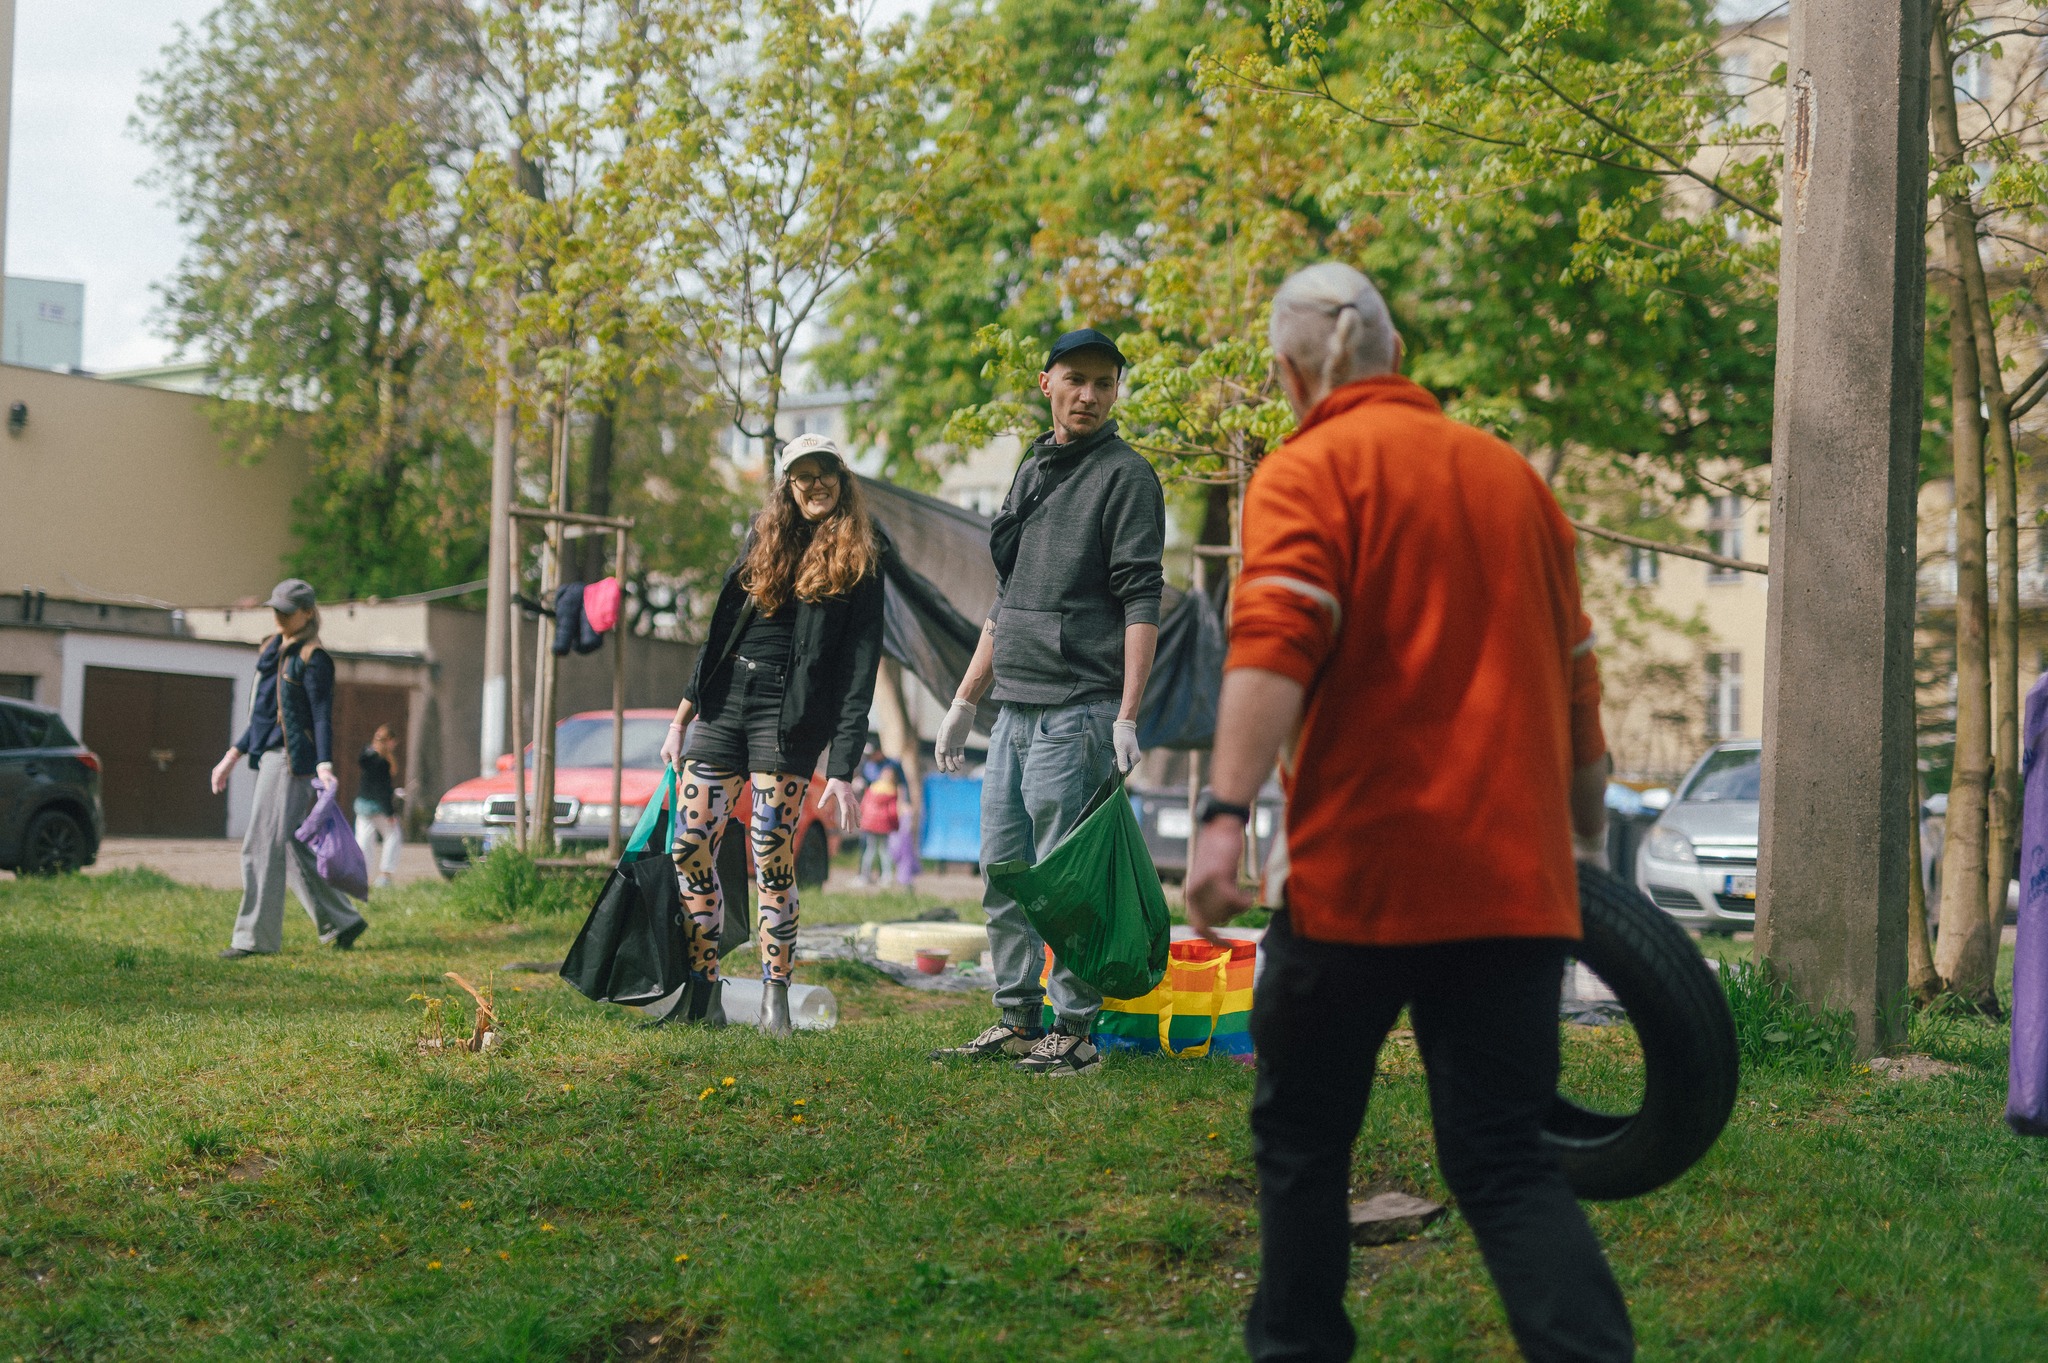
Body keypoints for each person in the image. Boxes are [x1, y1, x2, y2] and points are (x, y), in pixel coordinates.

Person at [1185, 263, 1632, 1362]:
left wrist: (1220, 814)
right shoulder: (1512, 480)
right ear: (1399, 353)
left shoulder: (1305, 470)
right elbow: (1580, 698)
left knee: (1301, 1142)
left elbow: (1272, 650)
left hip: (1358, 884)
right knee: (1502, 1158)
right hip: (1512, 891)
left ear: (1290, 374)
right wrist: (1578, 850)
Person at [931, 327, 1165, 1078]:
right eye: (1077, 379)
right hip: (1016, 707)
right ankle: (1016, 1017)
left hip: (1080, 709)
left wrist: (1128, 711)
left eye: (1105, 382)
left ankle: (1076, 1029)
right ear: (1047, 383)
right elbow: (1010, 597)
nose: (1090, 395)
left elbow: (1141, 598)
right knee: (1004, 866)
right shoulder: (1032, 466)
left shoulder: (1127, 476)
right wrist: (967, 699)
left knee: (1065, 880)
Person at [656, 434, 879, 1036]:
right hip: (726, 705)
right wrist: (682, 718)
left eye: (823, 472)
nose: (813, 485)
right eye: (801, 476)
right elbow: (716, 636)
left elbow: (861, 670)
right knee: (690, 842)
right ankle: (702, 990)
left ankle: (775, 997)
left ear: (840, 476)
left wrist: (843, 768)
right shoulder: (763, 539)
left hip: (790, 716)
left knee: (768, 854)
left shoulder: (861, 557)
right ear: (787, 484)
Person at [208, 579, 369, 958]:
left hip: (290, 761)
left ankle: (254, 939)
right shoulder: (272, 649)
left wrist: (325, 764)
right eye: (275, 608)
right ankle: (343, 921)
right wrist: (231, 756)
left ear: (308, 613)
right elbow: (263, 717)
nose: (279, 616)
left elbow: (321, 715)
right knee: (293, 846)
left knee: (261, 845)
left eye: (287, 610)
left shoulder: (313, 657)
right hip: (269, 755)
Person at [354, 723, 405, 889]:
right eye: (393, 742)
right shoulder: (383, 762)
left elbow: (363, 759)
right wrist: (390, 812)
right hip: (379, 808)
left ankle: (361, 878)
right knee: (393, 836)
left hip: (363, 806)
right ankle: (385, 876)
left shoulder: (367, 755)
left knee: (364, 842)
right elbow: (381, 789)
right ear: (389, 741)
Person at [856, 742, 905, 885]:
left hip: (870, 823)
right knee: (883, 850)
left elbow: (865, 804)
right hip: (883, 824)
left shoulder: (874, 788)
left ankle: (865, 876)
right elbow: (892, 812)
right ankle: (886, 877)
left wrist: (862, 817)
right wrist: (895, 823)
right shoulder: (890, 791)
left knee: (871, 850)